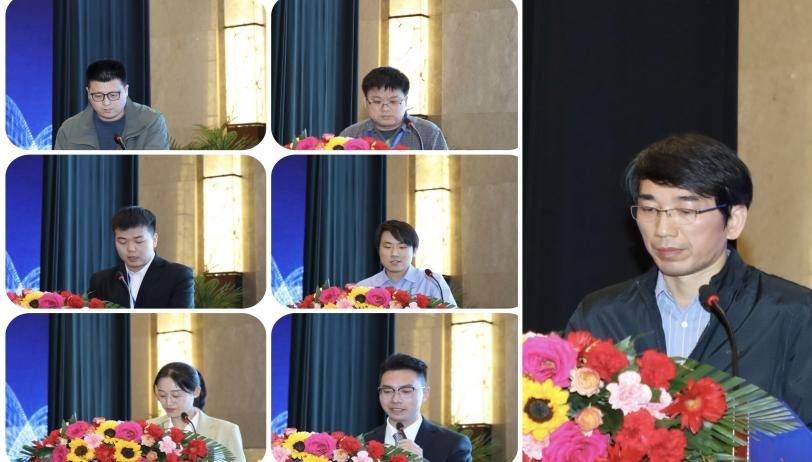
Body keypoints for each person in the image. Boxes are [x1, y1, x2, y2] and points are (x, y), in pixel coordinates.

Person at [566, 133, 812, 427]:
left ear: (734, 220)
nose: (663, 229)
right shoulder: (601, 316)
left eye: (685, 210)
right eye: (649, 209)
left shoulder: (794, 315)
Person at [364, 353, 472, 462]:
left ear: (425, 394)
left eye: (406, 391)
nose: (395, 399)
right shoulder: (363, 443)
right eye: (387, 391)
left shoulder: (453, 444)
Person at [88, 206, 194, 308]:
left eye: (139, 241)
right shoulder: (100, 281)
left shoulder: (178, 276)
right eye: (122, 241)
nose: (131, 249)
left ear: (154, 240)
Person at [54, 59, 170, 150]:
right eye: (98, 96)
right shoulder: (69, 129)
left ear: (126, 90)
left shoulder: (151, 122)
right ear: (88, 93)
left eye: (113, 95)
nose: (106, 102)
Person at [149, 362, 247, 462]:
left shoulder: (225, 431)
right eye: (162, 395)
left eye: (176, 395)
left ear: (196, 392)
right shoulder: (147, 430)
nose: (168, 402)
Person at [339, 66, 448, 150]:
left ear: (405, 101)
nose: (385, 109)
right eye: (377, 101)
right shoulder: (350, 135)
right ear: (366, 102)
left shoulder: (428, 133)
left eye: (393, 101)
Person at [356, 220, 457, 307]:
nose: (394, 253)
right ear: (378, 250)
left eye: (402, 247)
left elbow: (449, 313)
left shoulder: (432, 282)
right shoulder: (363, 287)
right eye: (387, 247)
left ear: (415, 251)